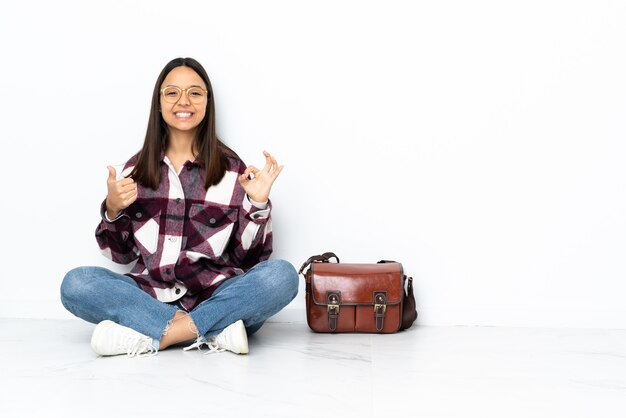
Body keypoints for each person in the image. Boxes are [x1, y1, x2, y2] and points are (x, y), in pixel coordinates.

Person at [60, 57, 299, 357]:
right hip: (148, 297)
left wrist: (257, 204)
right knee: (76, 284)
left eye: (195, 93)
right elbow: (121, 256)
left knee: (282, 276)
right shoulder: (132, 172)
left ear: (207, 102)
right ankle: (212, 331)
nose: (183, 101)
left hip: (216, 296)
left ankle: (154, 336)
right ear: (158, 103)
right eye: (172, 92)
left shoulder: (233, 171)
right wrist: (112, 210)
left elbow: (249, 260)